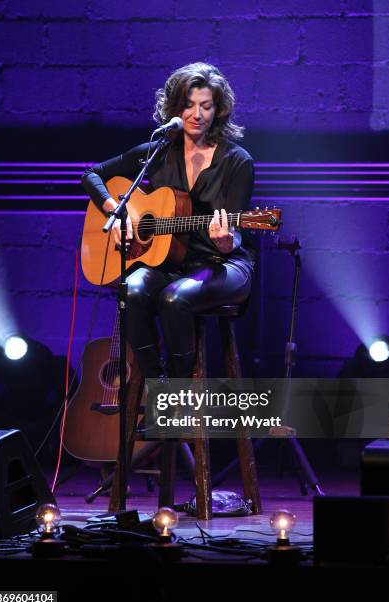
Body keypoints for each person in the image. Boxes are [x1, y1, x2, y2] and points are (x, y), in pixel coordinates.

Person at [82, 62, 255, 379]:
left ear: (218, 110)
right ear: (174, 107)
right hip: (171, 262)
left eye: (206, 106)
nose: (197, 114)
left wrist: (228, 240)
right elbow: (92, 175)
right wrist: (116, 212)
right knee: (131, 290)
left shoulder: (237, 161)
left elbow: (237, 232)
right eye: (188, 105)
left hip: (221, 262)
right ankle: (152, 381)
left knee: (175, 298)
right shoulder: (157, 152)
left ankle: (174, 392)